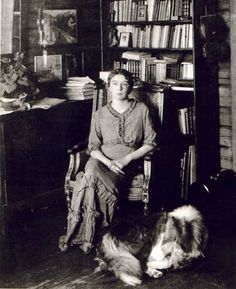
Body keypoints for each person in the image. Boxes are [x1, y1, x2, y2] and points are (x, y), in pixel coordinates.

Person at [59, 69, 158, 254]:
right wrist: (108, 162)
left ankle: (102, 233)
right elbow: (93, 147)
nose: (119, 88)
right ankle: (85, 235)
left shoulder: (142, 109)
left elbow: (150, 143)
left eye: (124, 84)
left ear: (130, 87)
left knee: (94, 181)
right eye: (115, 84)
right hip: (100, 161)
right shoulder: (100, 113)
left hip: (127, 164)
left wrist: (125, 159)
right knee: (90, 178)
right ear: (109, 87)